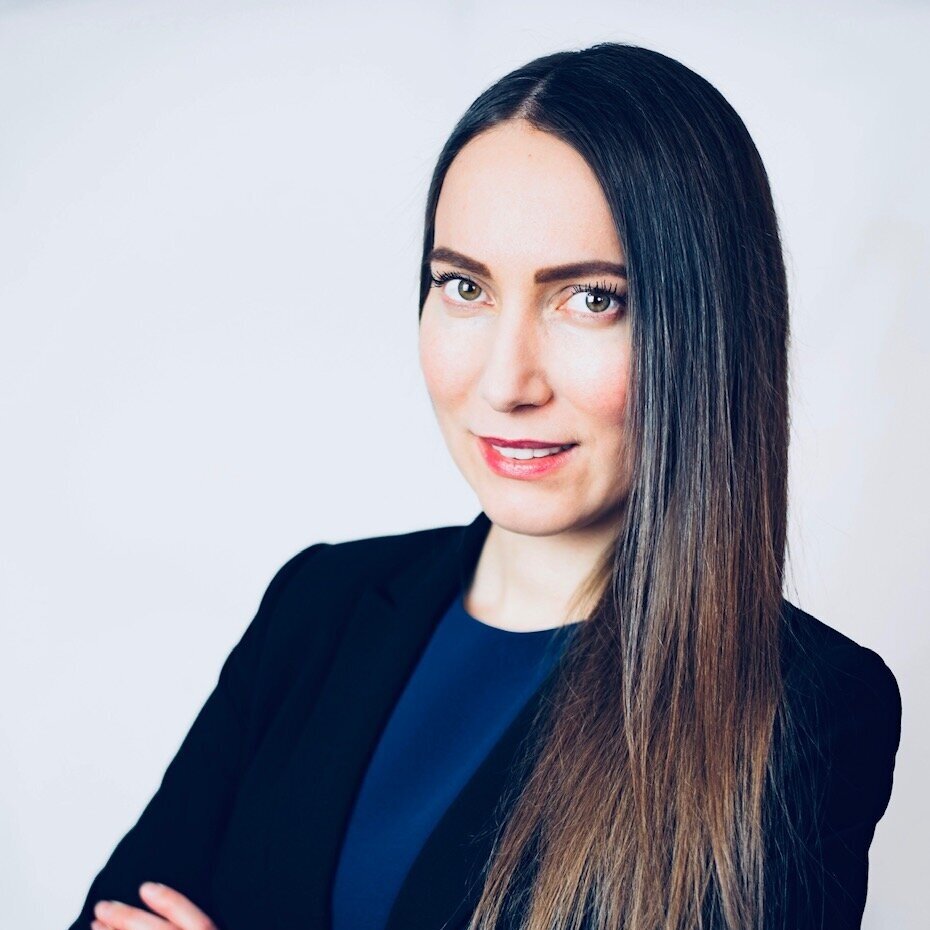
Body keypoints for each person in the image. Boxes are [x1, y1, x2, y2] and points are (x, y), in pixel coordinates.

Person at [69, 42, 902, 930]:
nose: (506, 382)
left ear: (707, 331)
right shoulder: (318, 606)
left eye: (591, 299)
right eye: (465, 286)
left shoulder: (807, 710)